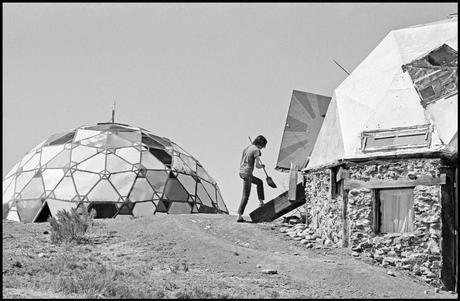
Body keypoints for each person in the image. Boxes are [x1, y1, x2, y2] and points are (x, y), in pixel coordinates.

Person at [237, 135, 267, 222]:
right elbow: (257, 166)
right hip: (247, 173)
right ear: (260, 144)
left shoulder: (248, 148)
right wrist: (262, 166)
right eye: (263, 146)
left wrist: (257, 154)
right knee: (246, 195)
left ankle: (261, 202)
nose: (262, 148)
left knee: (259, 182)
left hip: (242, 171)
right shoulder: (256, 150)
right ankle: (239, 216)